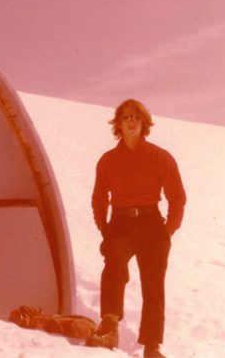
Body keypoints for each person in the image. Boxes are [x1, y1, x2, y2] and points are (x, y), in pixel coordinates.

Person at [85, 99, 186, 358]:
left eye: (136, 117)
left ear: (144, 123)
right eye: (126, 117)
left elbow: (177, 197)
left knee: (153, 284)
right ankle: (109, 326)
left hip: (152, 224)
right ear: (118, 124)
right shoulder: (107, 161)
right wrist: (104, 228)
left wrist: (167, 231)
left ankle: (152, 347)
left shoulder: (160, 157)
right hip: (120, 223)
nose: (131, 121)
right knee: (114, 266)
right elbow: (98, 198)